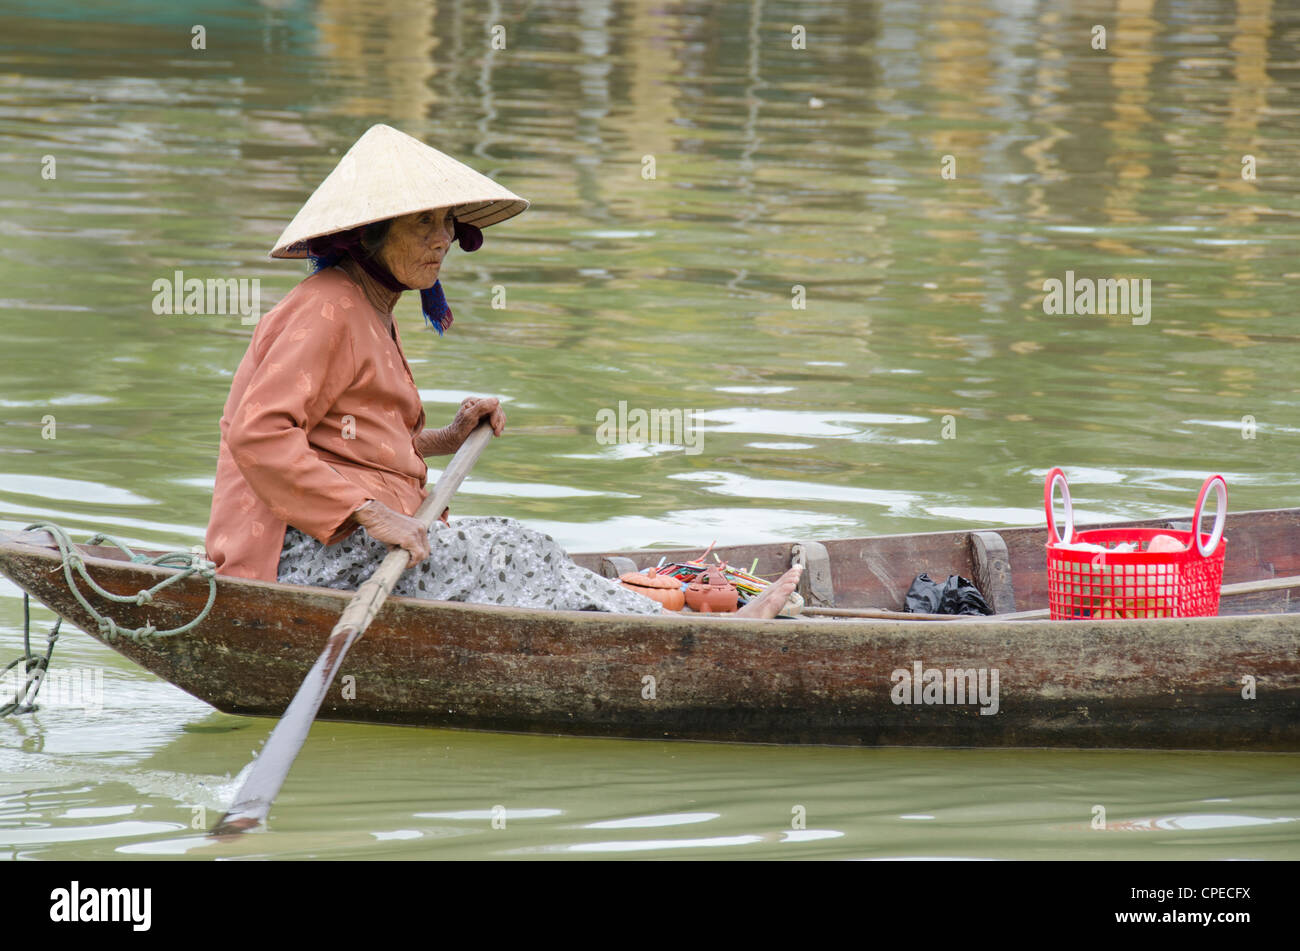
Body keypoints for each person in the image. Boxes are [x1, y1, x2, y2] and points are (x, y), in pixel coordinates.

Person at [204, 124, 801, 618]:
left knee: (524, 549)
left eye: (447, 222)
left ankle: (657, 622)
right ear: (369, 233)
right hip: (301, 556)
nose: (443, 240)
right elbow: (259, 435)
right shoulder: (328, 308)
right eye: (422, 223)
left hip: (359, 542)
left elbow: (363, 445)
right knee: (516, 548)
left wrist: (449, 438)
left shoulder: (369, 306)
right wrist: (372, 513)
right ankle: (683, 630)